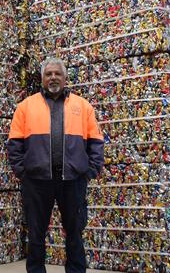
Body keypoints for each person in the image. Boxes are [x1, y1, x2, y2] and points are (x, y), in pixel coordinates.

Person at [7, 57, 105, 273]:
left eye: (57, 73)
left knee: (75, 232)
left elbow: (97, 142)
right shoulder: (25, 107)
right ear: (42, 78)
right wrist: (24, 173)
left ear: (65, 77)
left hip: (73, 181)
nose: (53, 77)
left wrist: (88, 172)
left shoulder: (83, 106)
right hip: (37, 182)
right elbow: (14, 144)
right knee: (36, 235)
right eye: (48, 74)